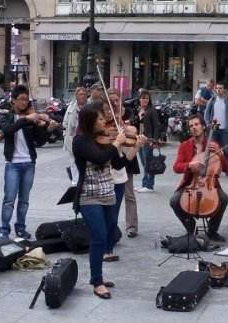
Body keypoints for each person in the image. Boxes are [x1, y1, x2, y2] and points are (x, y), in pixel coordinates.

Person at [73, 104, 133, 299]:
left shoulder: (105, 140)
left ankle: (97, 277)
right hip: (89, 196)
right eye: (100, 119)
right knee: (98, 236)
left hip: (108, 195)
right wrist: (116, 144)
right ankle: (97, 282)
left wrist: (133, 147)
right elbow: (98, 158)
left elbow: (117, 164)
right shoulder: (80, 141)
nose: (104, 121)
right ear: (90, 121)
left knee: (106, 234)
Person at [0, 85, 57, 240]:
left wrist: (48, 129)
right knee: (9, 199)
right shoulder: (7, 116)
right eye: (21, 99)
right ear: (13, 101)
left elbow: (40, 141)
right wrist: (25, 119)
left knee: (24, 200)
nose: (25, 103)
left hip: (28, 163)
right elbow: (7, 130)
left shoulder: (32, 118)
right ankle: (4, 230)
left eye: (26, 99)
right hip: (12, 164)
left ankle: (21, 228)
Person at [171, 113, 228, 242]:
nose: (194, 127)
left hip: (210, 183)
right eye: (191, 125)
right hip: (190, 184)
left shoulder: (213, 145)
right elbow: (176, 167)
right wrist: (190, 165)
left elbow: (226, 168)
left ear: (203, 127)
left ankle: (212, 231)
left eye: (196, 124)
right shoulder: (185, 146)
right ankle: (190, 227)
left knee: (224, 198)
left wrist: (220, 154)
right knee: (174, 201)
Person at [106, 88, 141, 238]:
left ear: (120, 99)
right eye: (111, 100)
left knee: (129, 193)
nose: (114, 102)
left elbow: (133, 129)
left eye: (116, 99)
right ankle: (111, 228)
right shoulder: (105, 114)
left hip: (126, 152)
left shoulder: (128, 112)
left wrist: (123, 124)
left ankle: (131, 226)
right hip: (111, 155)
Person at [204, 82, 228, 177]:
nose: (219, 90)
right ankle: (207, 170)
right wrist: (208, 124)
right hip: (214, 129)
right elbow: (206, 113)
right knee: (210, 150)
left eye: (221, 88)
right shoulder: (212, 100)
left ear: (224, 90)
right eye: (217, 88)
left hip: (224, 129)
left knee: (225, 150)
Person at [135, 90, 161, 194]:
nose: (144, 100)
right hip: (140, 139)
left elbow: (156, 126)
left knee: (148, 163)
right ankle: (144, 183)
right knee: (143, 162)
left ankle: (149, 185)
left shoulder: (152, 110)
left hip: (148, 139)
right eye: (142, 98)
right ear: (139, 99)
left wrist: (154, 140)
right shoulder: (139, 109)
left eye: (146, 98)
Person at [62, 87, 88, 185]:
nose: (82, 96)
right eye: (80, 94)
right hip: (72, 137)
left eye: (84, 94)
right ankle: (75, 180)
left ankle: (84, 179)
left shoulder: (90, 106)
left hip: (85, 137)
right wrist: (65, 135)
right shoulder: (71, 107)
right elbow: (65, 122)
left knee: (85, 160)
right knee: (73, 160)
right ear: (76, 96)